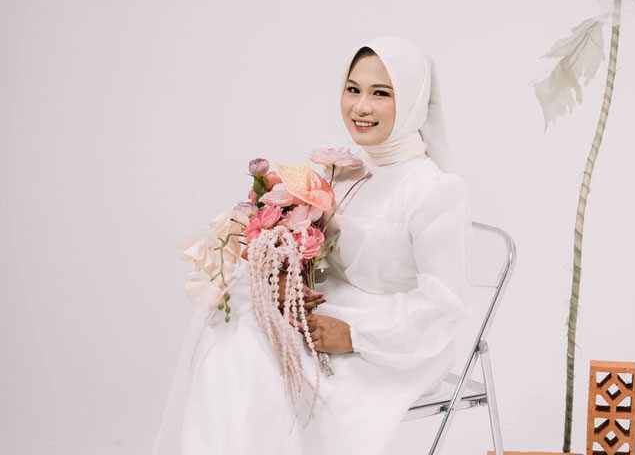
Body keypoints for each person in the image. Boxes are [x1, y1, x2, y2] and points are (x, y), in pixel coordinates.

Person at [152, 35, 473, 455]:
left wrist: (356, 336)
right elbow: (313, 250)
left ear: (413, 99)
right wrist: (286, 277)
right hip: (324, 312)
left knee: (256, 367)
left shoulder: (434, 189)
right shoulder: (343, 169)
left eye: (381, 93)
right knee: (231, 330)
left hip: (393, 340)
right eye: (353, 89)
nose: (361, 107)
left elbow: (445, 304)